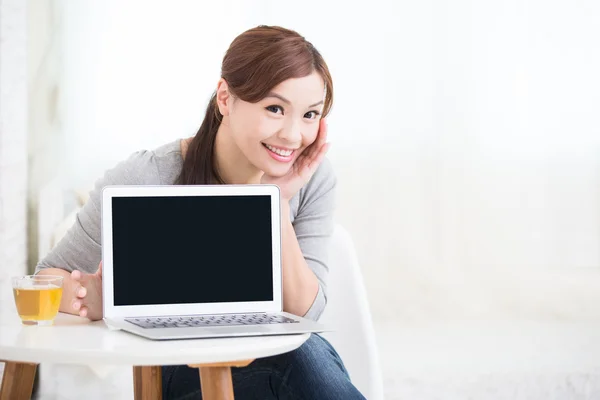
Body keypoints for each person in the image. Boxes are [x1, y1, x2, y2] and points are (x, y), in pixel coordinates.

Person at [36, 25, 365, 399]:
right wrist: (89, 298)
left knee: (300, 353)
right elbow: (46, 275)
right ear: (226, 98)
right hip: (183, 370)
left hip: (280, 360)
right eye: (275, 109)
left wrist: (278, 201)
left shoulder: (312, 178)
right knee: (298, 359)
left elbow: (305, 314)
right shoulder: (148, 175)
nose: (292, 135)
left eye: (309, 115)